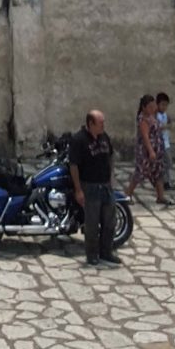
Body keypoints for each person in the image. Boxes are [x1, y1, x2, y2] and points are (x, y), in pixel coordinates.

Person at [69, 107, 120, 266]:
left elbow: (110, 156)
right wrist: (78, 189)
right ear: (90, 123)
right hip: (89, 186)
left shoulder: (104, 137)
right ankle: (92, 254)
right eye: (100, 123)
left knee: (110, 221)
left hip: (105, 185)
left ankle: (106, 252)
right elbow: (74, 165)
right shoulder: (79, 140)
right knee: (91, 223)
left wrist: (111, 178)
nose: (103, 125)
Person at [127, 95, 166, 205]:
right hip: (145, 152)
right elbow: (145, 136)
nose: (152, 108)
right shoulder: (143, 119)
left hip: (157, 150)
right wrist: (151, 151)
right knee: (140, 173)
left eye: (153, 106)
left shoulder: (152, 116)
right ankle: (128, 194)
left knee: (158, 172)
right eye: (150, 106)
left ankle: (160, 196)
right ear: (144, 108)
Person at [154, 91, 175, 201]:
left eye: (166, 105)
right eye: (162, 104)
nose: (164, 107)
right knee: (164, 163)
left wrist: (168, 126)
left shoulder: (165, 115)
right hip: (159, 143)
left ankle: (165, 180)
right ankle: (164, 182)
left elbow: (170, 123)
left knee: (168, 162)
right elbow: (156, 127)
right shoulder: (156, 115)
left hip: (166, 142)